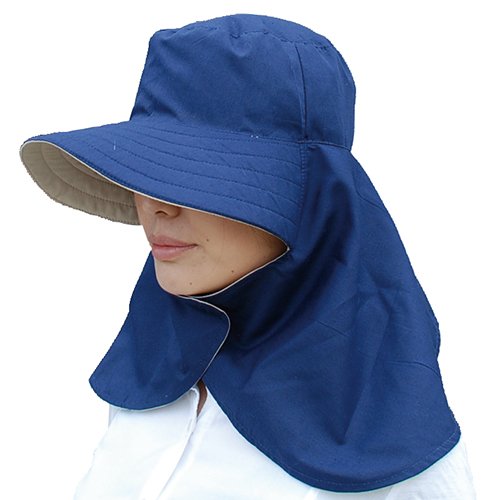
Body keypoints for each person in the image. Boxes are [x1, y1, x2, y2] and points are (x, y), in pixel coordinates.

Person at [18, 13, 476, 499]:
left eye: (199, 175)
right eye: (148, 168)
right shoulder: (151, 378)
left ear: (315, 198)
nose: (155, 205)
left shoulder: (398, 459)